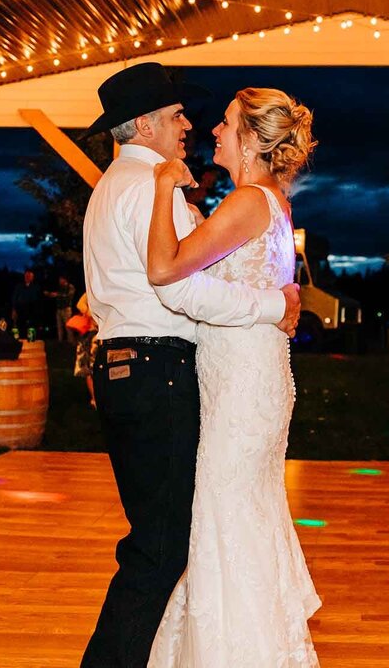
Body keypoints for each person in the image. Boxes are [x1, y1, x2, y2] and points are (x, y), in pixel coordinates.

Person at [80, 62, 301, 668]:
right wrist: (272, 305)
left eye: (216, 122)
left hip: (134, 369)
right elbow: (183, 287)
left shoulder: (108, 189)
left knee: (170, 537)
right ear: (146, 124)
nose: (191, 126)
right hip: (162, 372)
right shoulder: (155, 188)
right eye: (177, 115)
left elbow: (123, 286)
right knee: (161, 546)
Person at [146, 87, 320, 666]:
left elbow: (166, 270)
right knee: (242, 517)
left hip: (243, 384)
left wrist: (163, 188)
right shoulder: (269, 201)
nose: (213, 132)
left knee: (227, 518)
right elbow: (234, 278)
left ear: (249, 139)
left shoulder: (247, 201)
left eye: (224, 124)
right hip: (252, 376)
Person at [69, 292, 98, 405]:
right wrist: (90, 313)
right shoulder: (91, 290)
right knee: (89, 368)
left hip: (102, 334)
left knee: (98, 369)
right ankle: (94, 399)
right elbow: (80, 304)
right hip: (90, 334)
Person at [11, 268, 42, 335]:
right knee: (19, 324)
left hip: (31, 309)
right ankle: (18, 339)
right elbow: (14, 298)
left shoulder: (36, 287)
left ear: (32, 277)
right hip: (20, 309)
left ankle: (31, 339)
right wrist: (14, 309)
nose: (27, 277)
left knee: (31, 325)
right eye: (26, 276)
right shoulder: (19, 286)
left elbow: (37, 298)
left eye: (29, 276)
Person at [48, 275, 77, 343]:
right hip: (59, 309)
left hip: (66, 309)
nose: (59, 281)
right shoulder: (59, 287)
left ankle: (71, 341)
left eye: (61, 279)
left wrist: (57, 295)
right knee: (59, 326)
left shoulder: (70, 287)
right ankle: (60, 341)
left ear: (65, 279)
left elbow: (69, 296)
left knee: (68, 327)